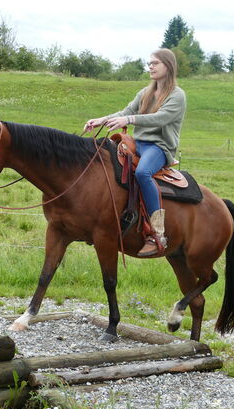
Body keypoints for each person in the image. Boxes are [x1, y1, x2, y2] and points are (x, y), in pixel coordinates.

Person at [83, 48, 186, 257]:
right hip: (137, 143)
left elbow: (161, 118)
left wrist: (129, 120)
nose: (150, 66)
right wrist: (101, 120)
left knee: (142, 173)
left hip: (159, 147)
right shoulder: (145, 92)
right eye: (150, 63)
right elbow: (126, 112)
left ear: (168, 66)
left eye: (155, 63)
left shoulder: (177, 95)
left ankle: (158, 233)